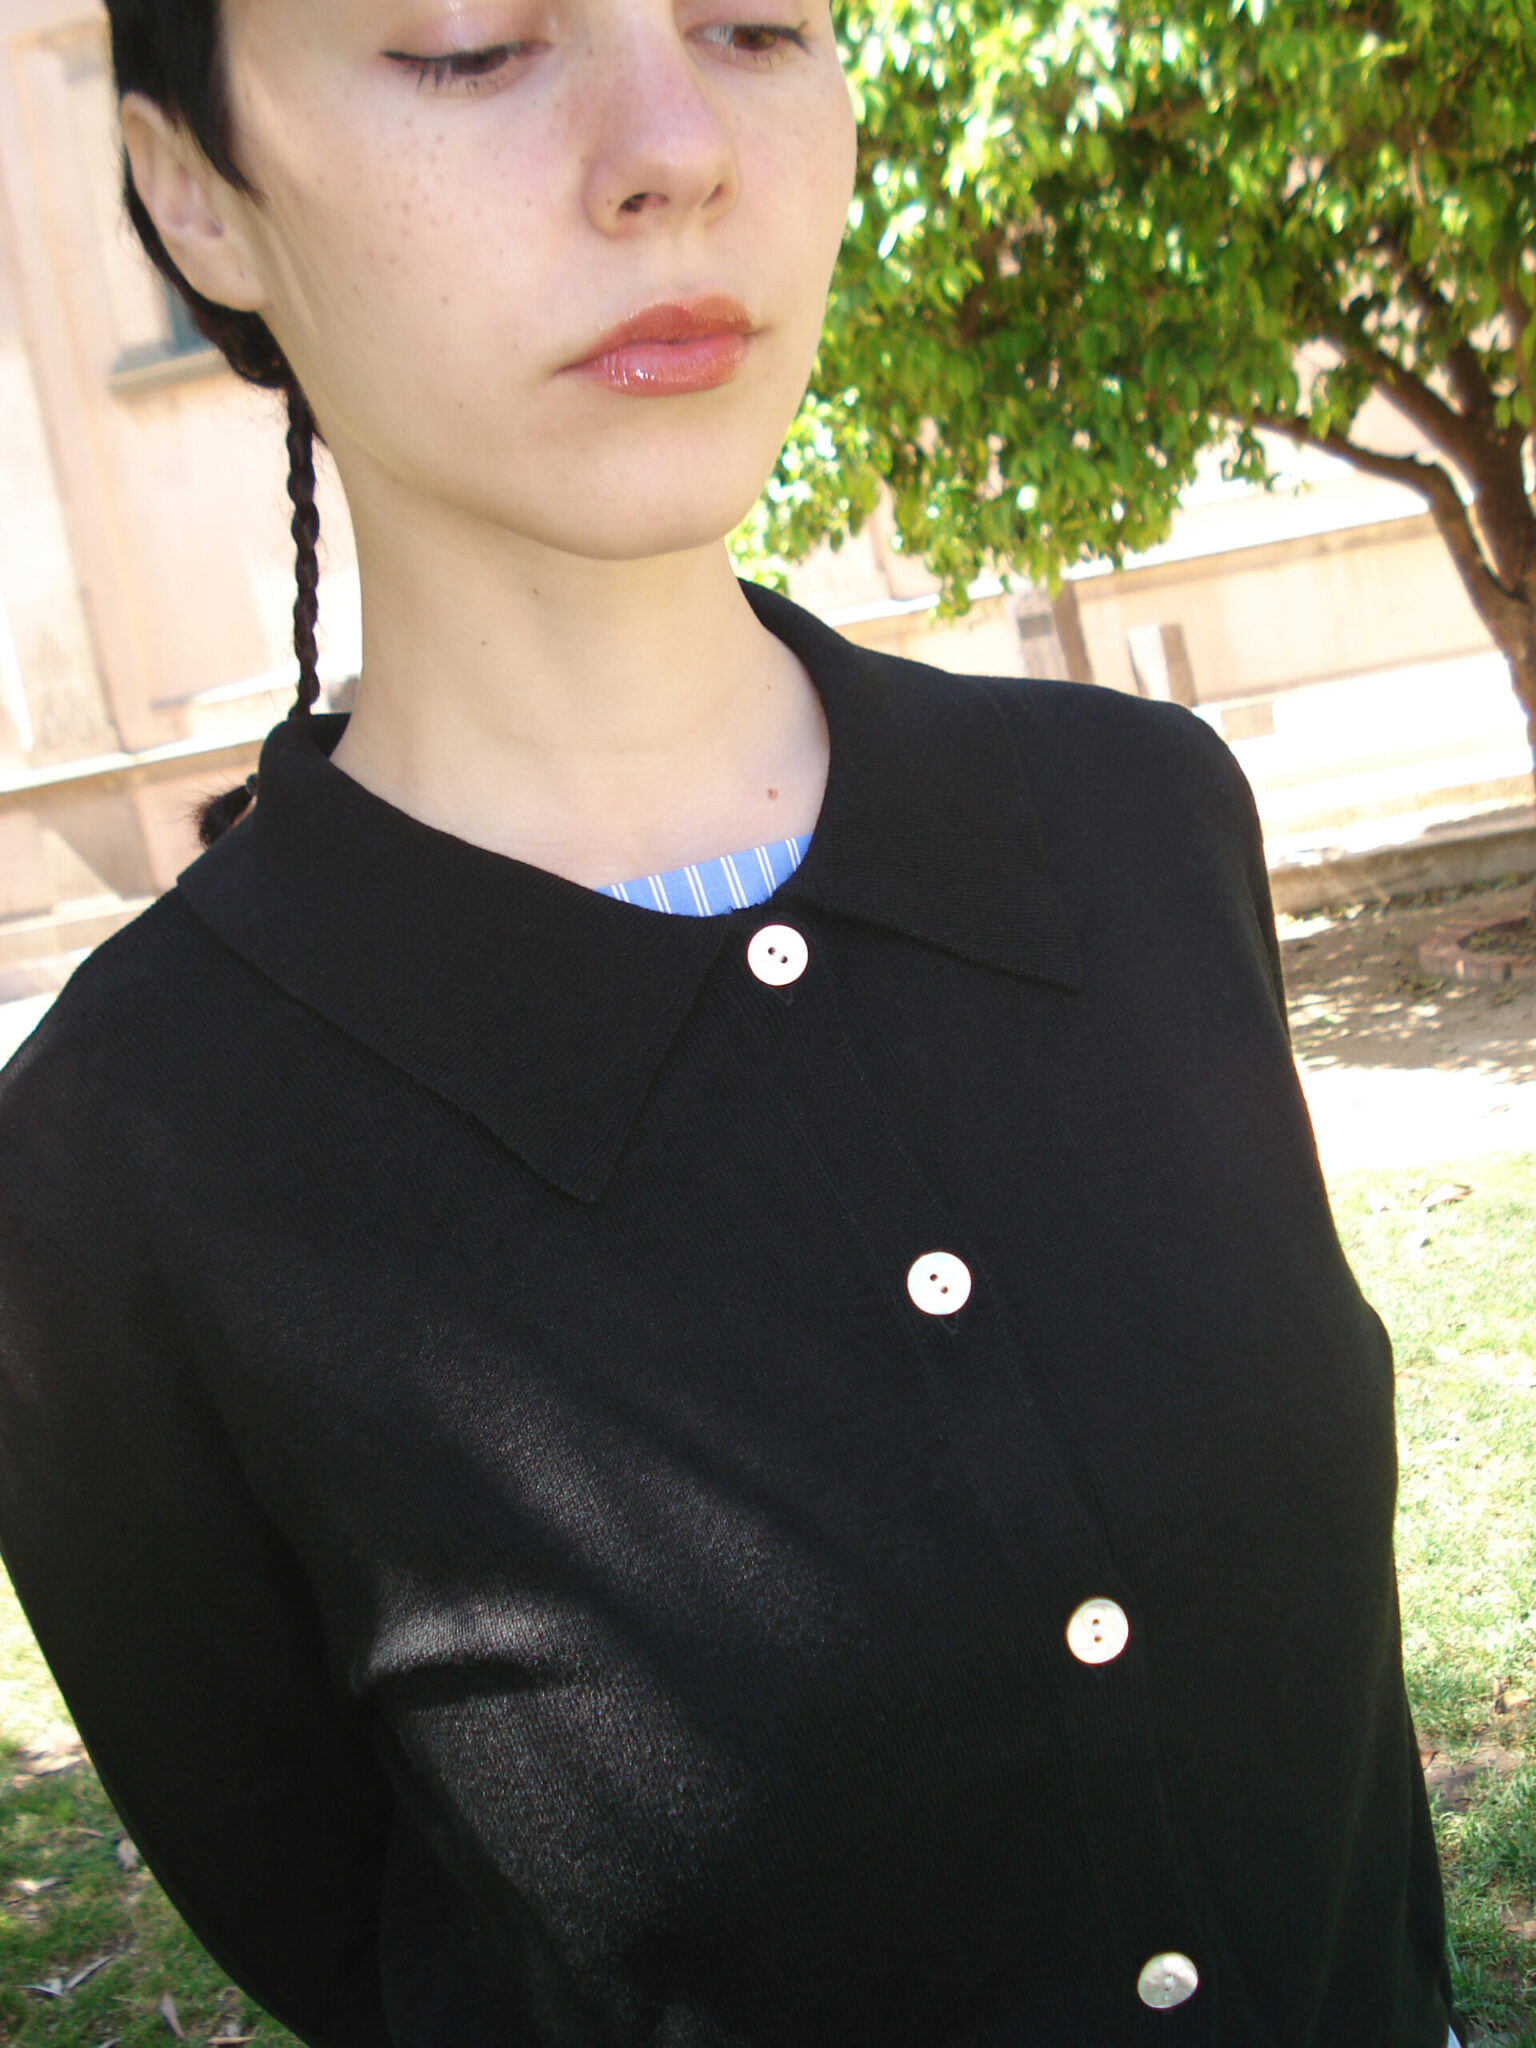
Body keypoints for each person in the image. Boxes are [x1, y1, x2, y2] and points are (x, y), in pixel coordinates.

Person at [0, 3, 1462, 2044]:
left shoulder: (1140, 825)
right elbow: (353, 1940)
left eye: (759, 22)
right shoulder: (116, 1164)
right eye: (472, 45)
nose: (674, 148)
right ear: (196, 194)